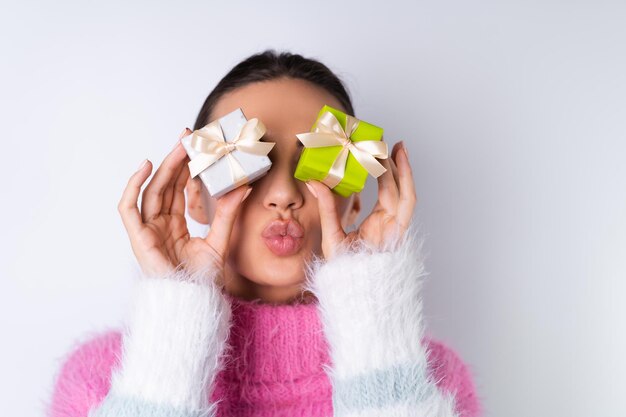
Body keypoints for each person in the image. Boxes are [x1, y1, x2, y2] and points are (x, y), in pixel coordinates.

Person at [45, 50, 483, 417]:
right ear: (195, 195)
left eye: (312, 163)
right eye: (252, 162)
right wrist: (173, 320)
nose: (283, 195)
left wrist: (374, 318)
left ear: (353, 200)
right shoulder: (103, 376)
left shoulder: (427, 373)